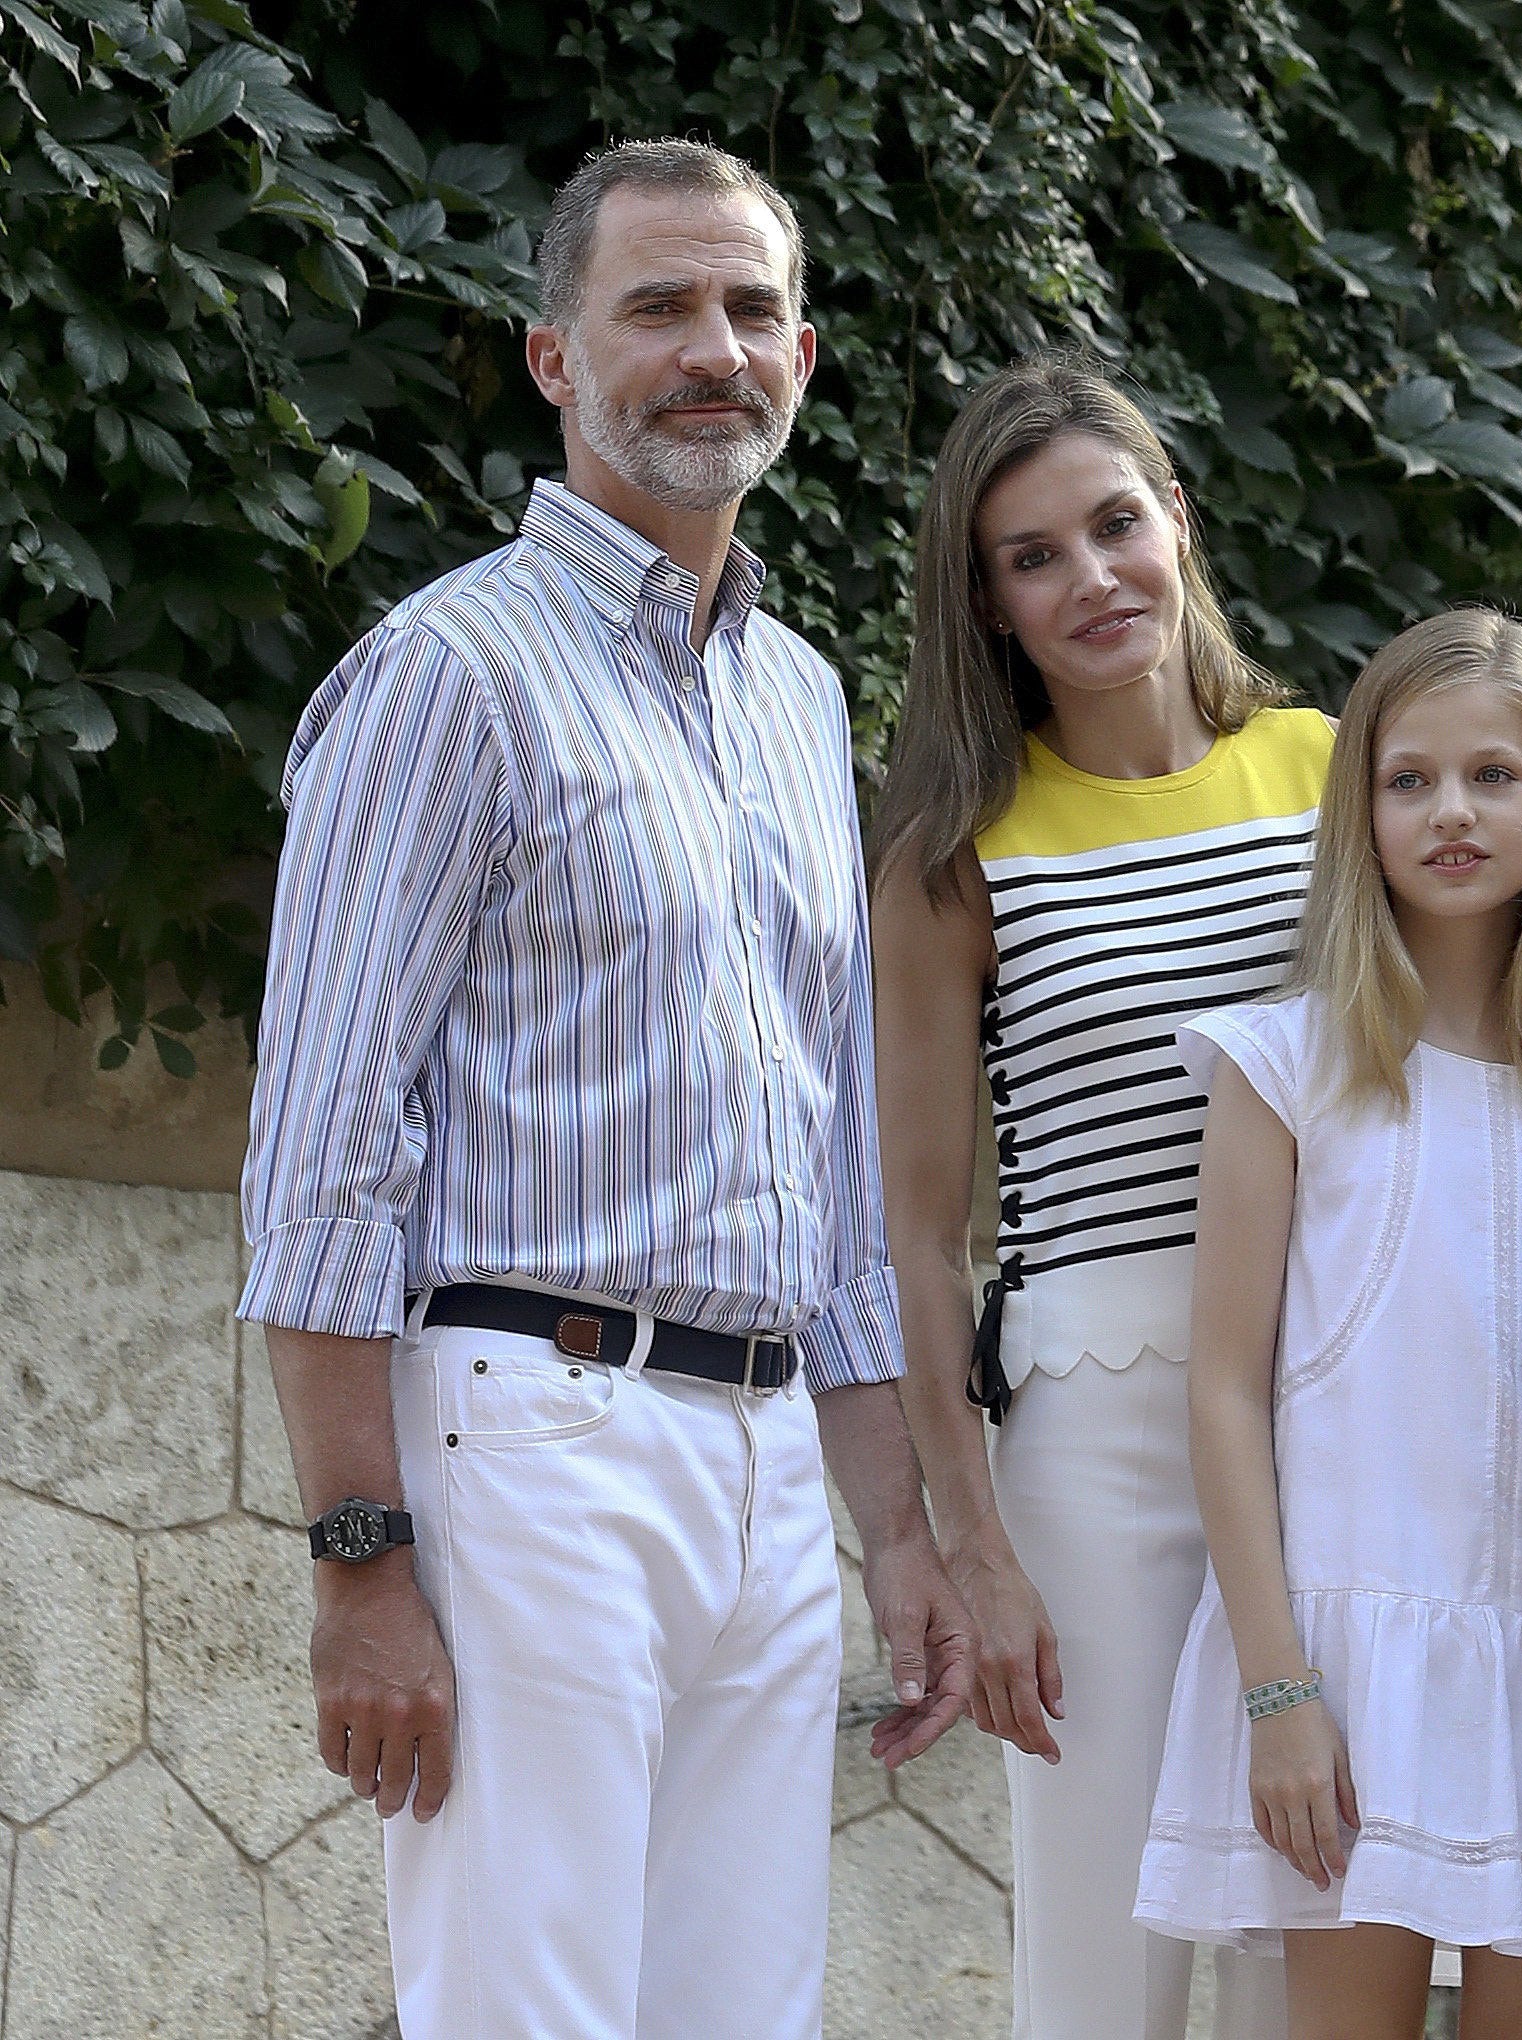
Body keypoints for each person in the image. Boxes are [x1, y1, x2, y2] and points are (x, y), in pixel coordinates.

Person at [237, 139, 973, 2040]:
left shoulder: (803, 699)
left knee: (748, 2019)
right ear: (556, 358)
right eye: (655, 306)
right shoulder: (447, 675)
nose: (707, 348)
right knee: (524, 2015)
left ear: (803, 356)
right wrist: (358, 1565)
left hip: (755, 1463)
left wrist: (896, 1529)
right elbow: (324, 1160)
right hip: (532, 1432)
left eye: (745, 310)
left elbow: (823, 1170)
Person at [869, 351, 1330, 2039]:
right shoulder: (953, 849)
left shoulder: (1340, 775)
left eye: (1114, 525)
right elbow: (914, 1236)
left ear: (1179, 522)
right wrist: (969, 1545)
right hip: (1097, 1431)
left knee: (1321, 1935)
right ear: (987, 605)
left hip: (1330, 1412)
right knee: (1102, 1957)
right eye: (1032, 556)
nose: (1092, 580)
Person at [1135, 609, 1522, 2040]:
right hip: (1342, 1672)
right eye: (1408, 779)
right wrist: (1278, 1687)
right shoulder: (1287, 1064)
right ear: (1358, 811)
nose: (1453, 812)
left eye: (1495, 775)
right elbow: (1225, 1393)